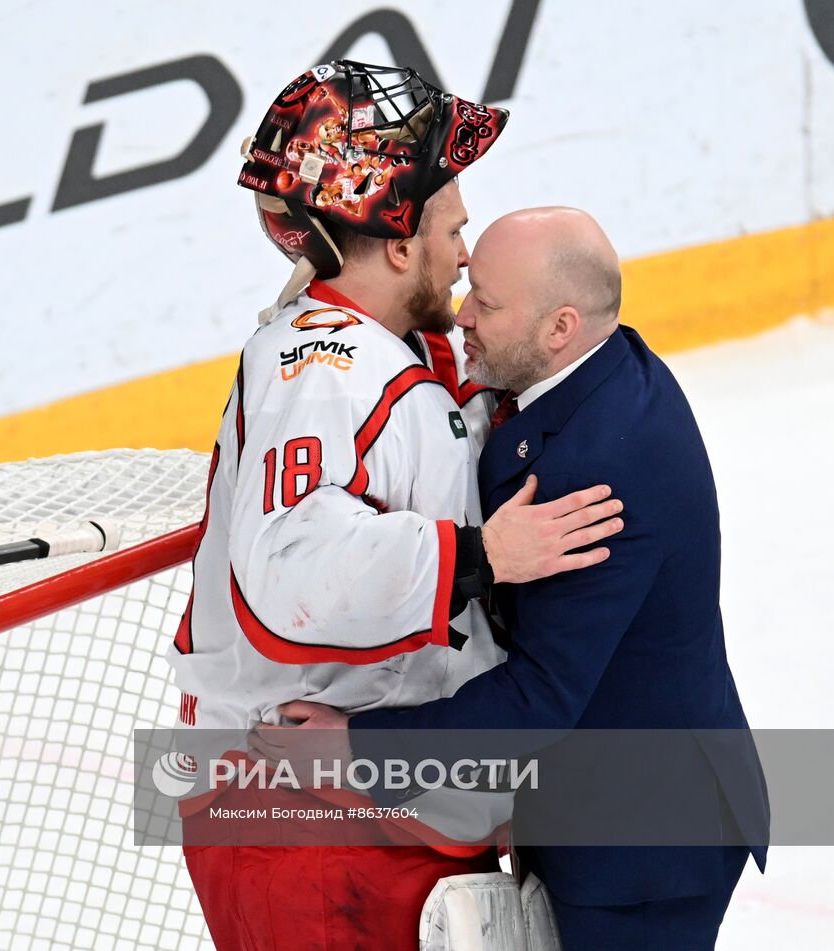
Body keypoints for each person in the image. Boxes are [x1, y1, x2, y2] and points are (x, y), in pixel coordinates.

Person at [168, 63, 623, 951]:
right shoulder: (323, 375)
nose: (465, 251)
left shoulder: (386, 346)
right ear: (401, 242)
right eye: (452, 227)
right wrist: (483, 556)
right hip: (305, 828)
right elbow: (291, 569)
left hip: (367, 806)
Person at [265, 207, 769, 950]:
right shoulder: (593, 368)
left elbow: (539, 698)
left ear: (560, 327)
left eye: (487, 307)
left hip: (645, 848)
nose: (464, 315)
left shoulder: (597, 477)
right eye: (472, 288)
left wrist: (355, 745)